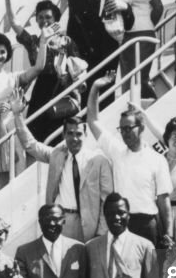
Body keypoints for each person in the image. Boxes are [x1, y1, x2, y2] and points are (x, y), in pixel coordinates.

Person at [10, 89, 113, 242]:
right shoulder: (57, 155)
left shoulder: (99, 161)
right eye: (70, 133)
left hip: (89, 227)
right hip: (62, 222)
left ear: (85, 135)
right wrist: (17, 115)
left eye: (78, 134)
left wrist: (101, 233)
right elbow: (30, 145)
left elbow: (107, 200)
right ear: (64, 135)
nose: (74, 138)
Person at [87, 82, 171, 246]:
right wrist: (96, 88)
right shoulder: (117, 152)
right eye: (122, 129)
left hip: (148, 224)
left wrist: (168, 234)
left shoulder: (157, 159)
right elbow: (92, 121)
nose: (125, 133)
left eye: (129, 128)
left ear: (141, 128)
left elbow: (163, 200)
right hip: (121, 223)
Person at [0, 31, 50, 201]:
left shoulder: (13, 78)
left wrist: (43, 42)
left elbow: (38, 68)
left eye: (3, 52)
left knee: (14, 178)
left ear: (7, 55)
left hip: (12, 133)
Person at [4, 0, 87, 142]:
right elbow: (15, 23)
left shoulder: (66, 41)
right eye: (40, 18)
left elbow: (77, 68)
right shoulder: (33, 41)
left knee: (60, 133)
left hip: (62, 88)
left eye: (48, 17)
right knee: (37, 133)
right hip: (41, 89)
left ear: (56, 19)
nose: (44, 21)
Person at [113, 0, 163, 98]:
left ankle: (153, 102)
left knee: (141, 77)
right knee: (129, 80)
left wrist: (147, 26)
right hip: (125, 37)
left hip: (143, 34)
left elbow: (158, 7)